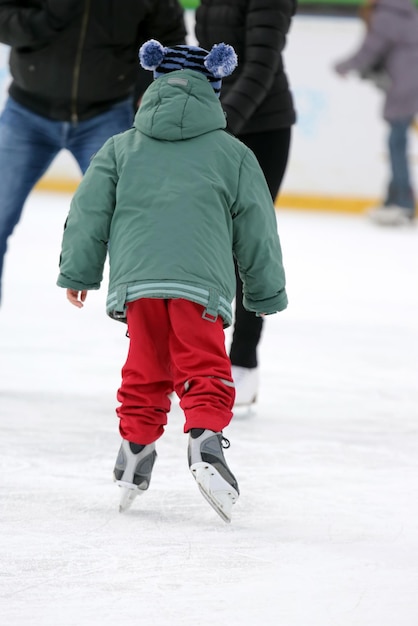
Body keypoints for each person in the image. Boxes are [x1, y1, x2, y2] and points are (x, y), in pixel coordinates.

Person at [57, 39, 288, 523]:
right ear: (215, 87)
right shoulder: (234, 154)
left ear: (154, 82)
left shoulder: (120, 148)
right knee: (203, 363)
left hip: (138, 284)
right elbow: (257, 227)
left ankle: (135, 448)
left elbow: (87, 213)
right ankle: (204, 439)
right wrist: (263, 292)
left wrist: (79, 272)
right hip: (200, 286)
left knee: (145, 364)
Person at [0, 0, 186, 305]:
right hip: (27, 113)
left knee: (131, 227)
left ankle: (147, 338)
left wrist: (146, 91)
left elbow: (169, 37)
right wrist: (48, 19)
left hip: (106, 114)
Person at [195, 0, 297, 407]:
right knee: (203, 242)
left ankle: (243, 361)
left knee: (247, 246)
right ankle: (199, 357)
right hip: (217, 121)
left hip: (263, 128)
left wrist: (216, 123)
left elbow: (260, 66)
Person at [334, 0, 418, 226]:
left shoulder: (385, 15)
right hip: (410, 83)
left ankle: (402, 203)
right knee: (396, 141)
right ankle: (395, 200)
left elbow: (370, 49)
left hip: (403, 85)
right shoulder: (407, 13)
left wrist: (344, 66)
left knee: (396, 142)